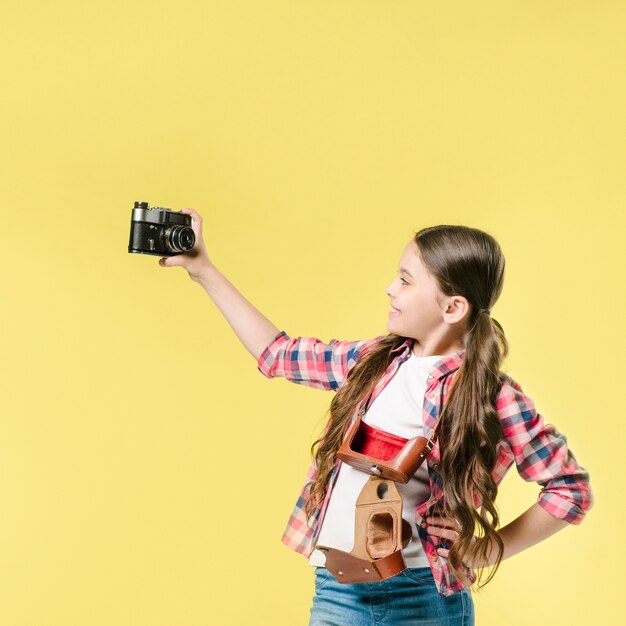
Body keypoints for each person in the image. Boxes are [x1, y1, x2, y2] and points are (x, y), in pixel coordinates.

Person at [159, 210, 593, 625]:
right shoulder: (373, 362)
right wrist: (204, 271)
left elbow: (570, 490)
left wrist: (484, 550)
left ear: (453, 308)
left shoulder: (492, 396)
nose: (390, 288)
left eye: (405, 280)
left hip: (421, 596)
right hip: (336, 589)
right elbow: (277, 354)